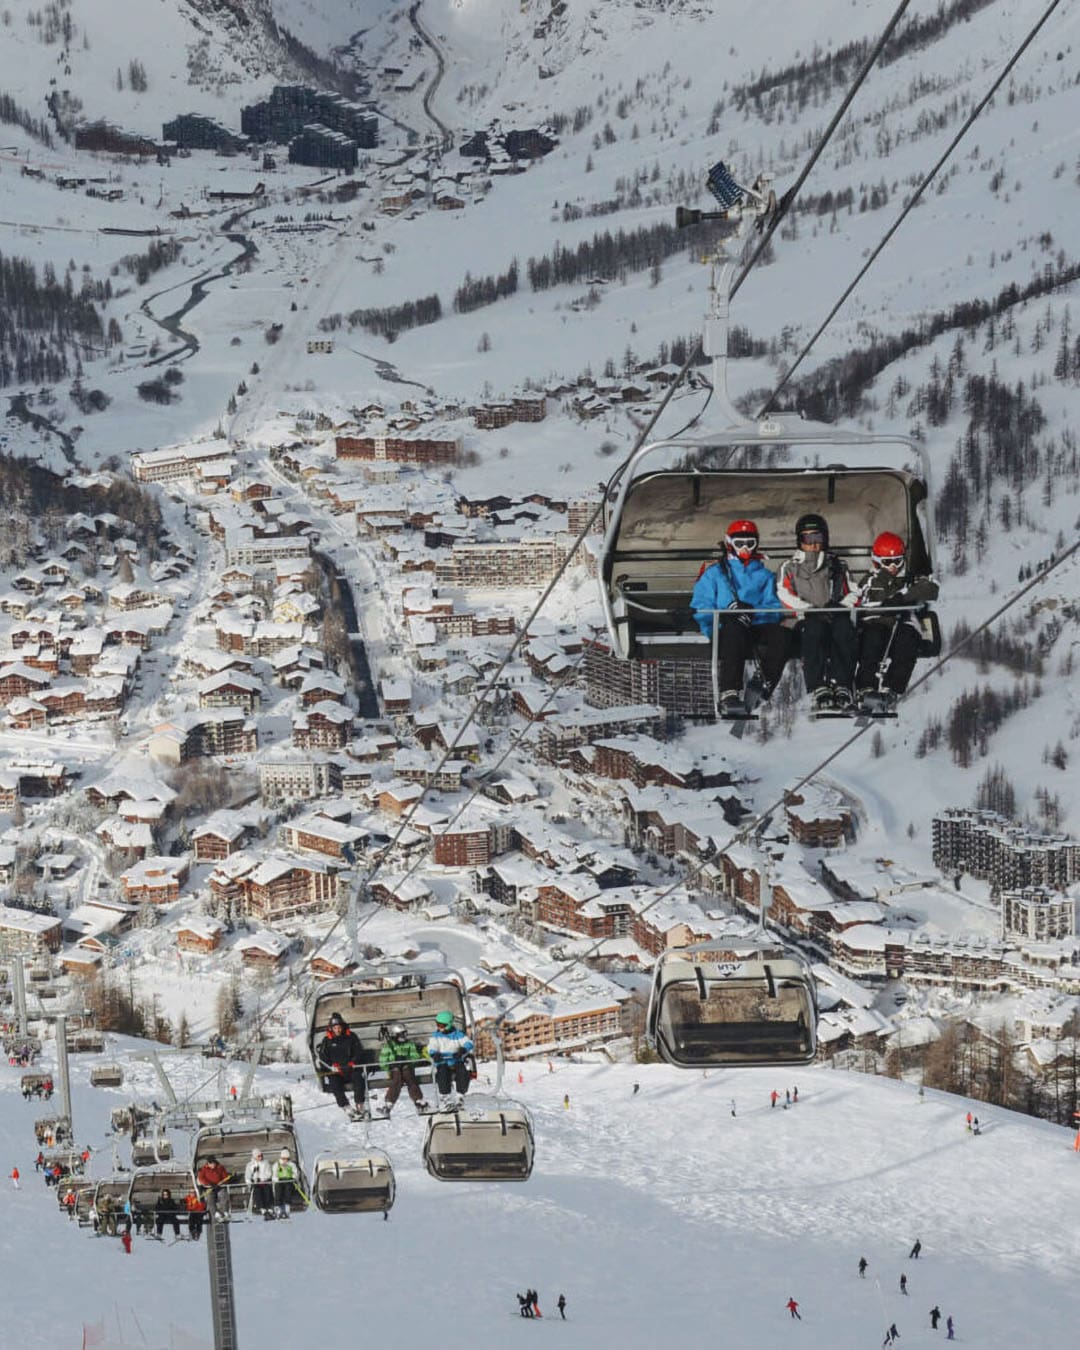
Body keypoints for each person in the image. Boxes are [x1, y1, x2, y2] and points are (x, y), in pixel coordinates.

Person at [691, 519, 790, 715]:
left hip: (754, 625)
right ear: (729, 543)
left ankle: (764, 681)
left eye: (749, 543)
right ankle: (729, 692)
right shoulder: (715, 573)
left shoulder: (764, 575)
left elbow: (773, 608)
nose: (744, 548)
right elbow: (700, 607)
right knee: (734, 629)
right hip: (725, 627)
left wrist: (752, 613)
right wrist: (729, 611)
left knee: (782, 635)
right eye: (739, 543)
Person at [776, 512, 858, 711]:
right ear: (800, 541)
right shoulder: (790, 567)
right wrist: (809, 610)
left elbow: (854, 592)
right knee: (814, 629)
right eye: (807, 538)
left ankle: (842, 685)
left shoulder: (837, 565)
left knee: (844, 627)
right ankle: (818, 686)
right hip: (804, 620)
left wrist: (840, 607)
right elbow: (784, 594)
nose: (813, 544)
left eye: (817, 538)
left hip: (833, 616)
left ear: (825, 539)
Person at [853, 532, 939, 710]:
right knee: (872, 643)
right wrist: (880, 606)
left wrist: (903, 597)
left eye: (897, 561)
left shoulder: (910, 579)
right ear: (877, 561)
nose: (893, 567)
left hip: (904, 622)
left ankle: (891, 688)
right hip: (877, 622)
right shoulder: (870, 581)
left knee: (907, 644)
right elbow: (860, 601)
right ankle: (865, 688)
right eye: (887, 562)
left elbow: (931, 589)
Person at [317, 1012, 367, 1117]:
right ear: (331, 1028)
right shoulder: (327, 1041)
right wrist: (331, 1066)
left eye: (339, 1027)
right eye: (335, 1028)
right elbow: (323, 1057)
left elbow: (359, 1051)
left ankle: (360, 1104)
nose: (338, 1030)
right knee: (334, 1083)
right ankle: (346, 1106)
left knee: (359, 1079)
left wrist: (354, 1062)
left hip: (351, 1069)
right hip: (337, 1071)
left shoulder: (351, 1037)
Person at [426, 1010, 474, 1111]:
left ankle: (460, 1096)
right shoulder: (436, 1036)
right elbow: (431, 1046)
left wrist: (462, 1050)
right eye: (437, 1024)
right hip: (443, 1061)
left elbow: (468, 1043)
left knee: (463, 1072)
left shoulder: (458, 1035)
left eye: (441, 1025)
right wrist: (434, 1054)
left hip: (455, 1060)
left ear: (448, 1025)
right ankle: (445, 1098)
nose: (439, 1027)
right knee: (442, 1074)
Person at [378, 1022, 426, 1115]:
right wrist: (391, 1065)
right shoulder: (388, 1046)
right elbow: (383, 1061)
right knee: (397, 1078)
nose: (404, 1037)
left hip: (406, 1067)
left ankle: (418, 1101)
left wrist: (406, 1059)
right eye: (401, 1035)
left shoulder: (409, 1044)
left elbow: (415, 1057)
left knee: (409, 1076)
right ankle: (389, 1104)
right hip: (394, 1069)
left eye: (405, 1034)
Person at [244, 1149, 274, 1218]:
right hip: (255, 1184)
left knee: (267, 1191)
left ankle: (269, 1208)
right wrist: (250, 1182)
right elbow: (247, 1176)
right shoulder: (250, 1165)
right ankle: (262, 1209)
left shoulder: (266, 1163)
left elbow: (269, 1173)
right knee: (258, 1192)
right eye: (258, 1156)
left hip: (265, 1182)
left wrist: (262, 1179)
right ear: (255, 1157)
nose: (260, 1157)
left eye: (261, 1155)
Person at [273, 1149, 299, 1219]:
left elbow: (295, 1173)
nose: (285, 1160)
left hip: (288, 1181)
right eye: (284, 1158)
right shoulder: (277, 1164)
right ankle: (278, 1209)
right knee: (278, 1191)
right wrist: (277, 1179)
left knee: (288, 1190)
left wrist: (293, 1177)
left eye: (287, 1158)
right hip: (280, 1181)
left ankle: (287, 1209)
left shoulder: (291, 1165)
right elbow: (274, 1174)